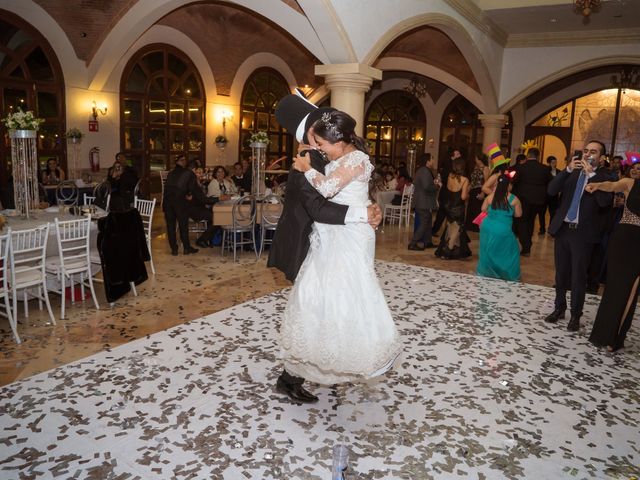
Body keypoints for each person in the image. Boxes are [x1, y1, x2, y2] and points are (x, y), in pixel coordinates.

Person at [269, 94, 383, 403]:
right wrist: (363, 213)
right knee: (318, 308)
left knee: (335, 306)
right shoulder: (310, 159)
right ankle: (292, 377)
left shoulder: (332, 156)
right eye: (318, 138)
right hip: (317, 240)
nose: (322, 145)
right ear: (311, 134)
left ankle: (332, 368)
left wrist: (371, 207)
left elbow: (351, 187)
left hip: (339, 240)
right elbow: (319, 208)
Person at [543, 140, 613, 332]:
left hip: (583, 234)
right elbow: (551, 190)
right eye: (586, 150)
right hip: (563, 229)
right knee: (561, 273)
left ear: (601, 157)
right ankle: (559, 308)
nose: (588, 154)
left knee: (578, 276)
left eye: (594, 152)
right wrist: (566, 170)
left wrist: (591, 175)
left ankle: (575, 314)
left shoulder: (606, 176)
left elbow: (605, 202)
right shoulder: (572, 172)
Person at [586, 161, 640, 352]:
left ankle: (616, 338)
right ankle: (603, 335)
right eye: (635, 167)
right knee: (614, 288)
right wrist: (598, 185)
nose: (636, 170)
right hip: (623, 240)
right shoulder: (629, 184)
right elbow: (612, 186)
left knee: (630, 292)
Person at [477, 172, 522, 281]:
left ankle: (487, 272)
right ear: (509, 186)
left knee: (487, 250)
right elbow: (518, 214)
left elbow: (483, 209)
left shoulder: (490, 196)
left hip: (487, 227)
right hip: (502, 228)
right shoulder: (514, 199)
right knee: (511, 250)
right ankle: (505, 273)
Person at [511, 147, 551, 256]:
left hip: (523, 198)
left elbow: (513, 181)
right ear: (538, 156)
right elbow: (550, 183)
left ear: (528, 155)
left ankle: (526, 246)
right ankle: (527, 244)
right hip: (538, 200)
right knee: (531, 220)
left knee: (523, 222)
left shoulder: (520, 167)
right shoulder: (545, 169)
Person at [434, 157, 471, 260]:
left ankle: (455, 249)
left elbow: (449, 189)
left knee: (450, 227)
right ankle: (447, 251)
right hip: (458, 207)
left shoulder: (450, 176)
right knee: (457, 230)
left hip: (448, 205)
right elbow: (463, 197)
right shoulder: (465, 180)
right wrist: (468, 192)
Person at [162, 154, 199, 256]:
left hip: (167, 201)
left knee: (170, 226)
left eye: (184, 160)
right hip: (179, 202)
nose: (184, 162)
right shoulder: (188, 173)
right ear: (178, 162)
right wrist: (189, 195)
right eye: (182, 160)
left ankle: (174, 249)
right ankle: (186, 248)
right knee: (183, 225)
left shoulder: (170, 173)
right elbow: (191, 188)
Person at [408, 153, 439, 250]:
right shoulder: (425, 171)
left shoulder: (423, 170)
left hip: (423, 201)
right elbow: (426, 186)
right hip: (423, 202)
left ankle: (428, 241)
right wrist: (437, 186)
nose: (433, 161)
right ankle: (412, 243)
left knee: (428, 222)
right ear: (427, 161)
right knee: (424, 223)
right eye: (432, 159)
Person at [433, 149, 461, 235]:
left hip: (448, 193)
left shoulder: (454, 164)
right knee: (443, 213)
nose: (459, 155)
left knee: (444, 213)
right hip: (447, 193)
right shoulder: (449, 165)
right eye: (458, 154)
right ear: (452, 156)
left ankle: (437, 230)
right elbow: (445, 179)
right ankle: (434, 230)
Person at [465, 153, 489, 232]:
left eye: (476, 158)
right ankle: (469, 226)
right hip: (472, 190)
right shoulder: (475, 167)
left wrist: (483, 193)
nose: (475, 160)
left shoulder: (485, 168)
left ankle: (477, 227)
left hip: (480, 190)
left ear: (479, 159)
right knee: (470, 208)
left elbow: (486, 182)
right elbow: (472, 181)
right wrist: (467, 190)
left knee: (477, 209)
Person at [544, 155, 560, 233]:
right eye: (553, 162)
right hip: (545, 195)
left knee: (553, 213)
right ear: (549, 163)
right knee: (542, 212)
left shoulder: (559, 172)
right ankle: (542, 228)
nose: (555, 164)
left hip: (554, 195)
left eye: (555, 162)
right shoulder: (545, 171)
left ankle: (551, 228)